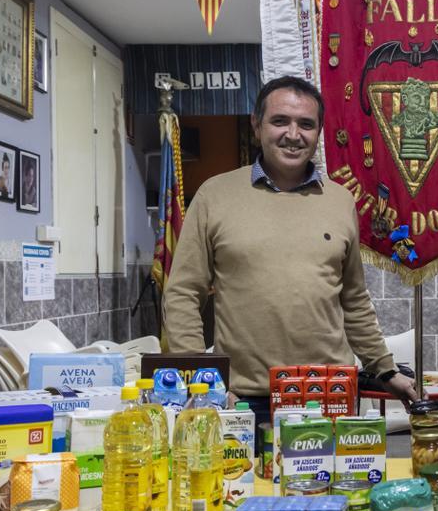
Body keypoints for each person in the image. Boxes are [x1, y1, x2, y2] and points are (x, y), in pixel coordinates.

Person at [163, 76, 417, 426]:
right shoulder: (214, 196)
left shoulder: (340, 200)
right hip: (243, 400)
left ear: (319, 133)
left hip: (331, 395)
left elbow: (354, 300)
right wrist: (203, 382)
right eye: (280, 121)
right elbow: (182, 294)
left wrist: (386, 370)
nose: (293, 134)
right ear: (257, 125)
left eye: (306, 124)